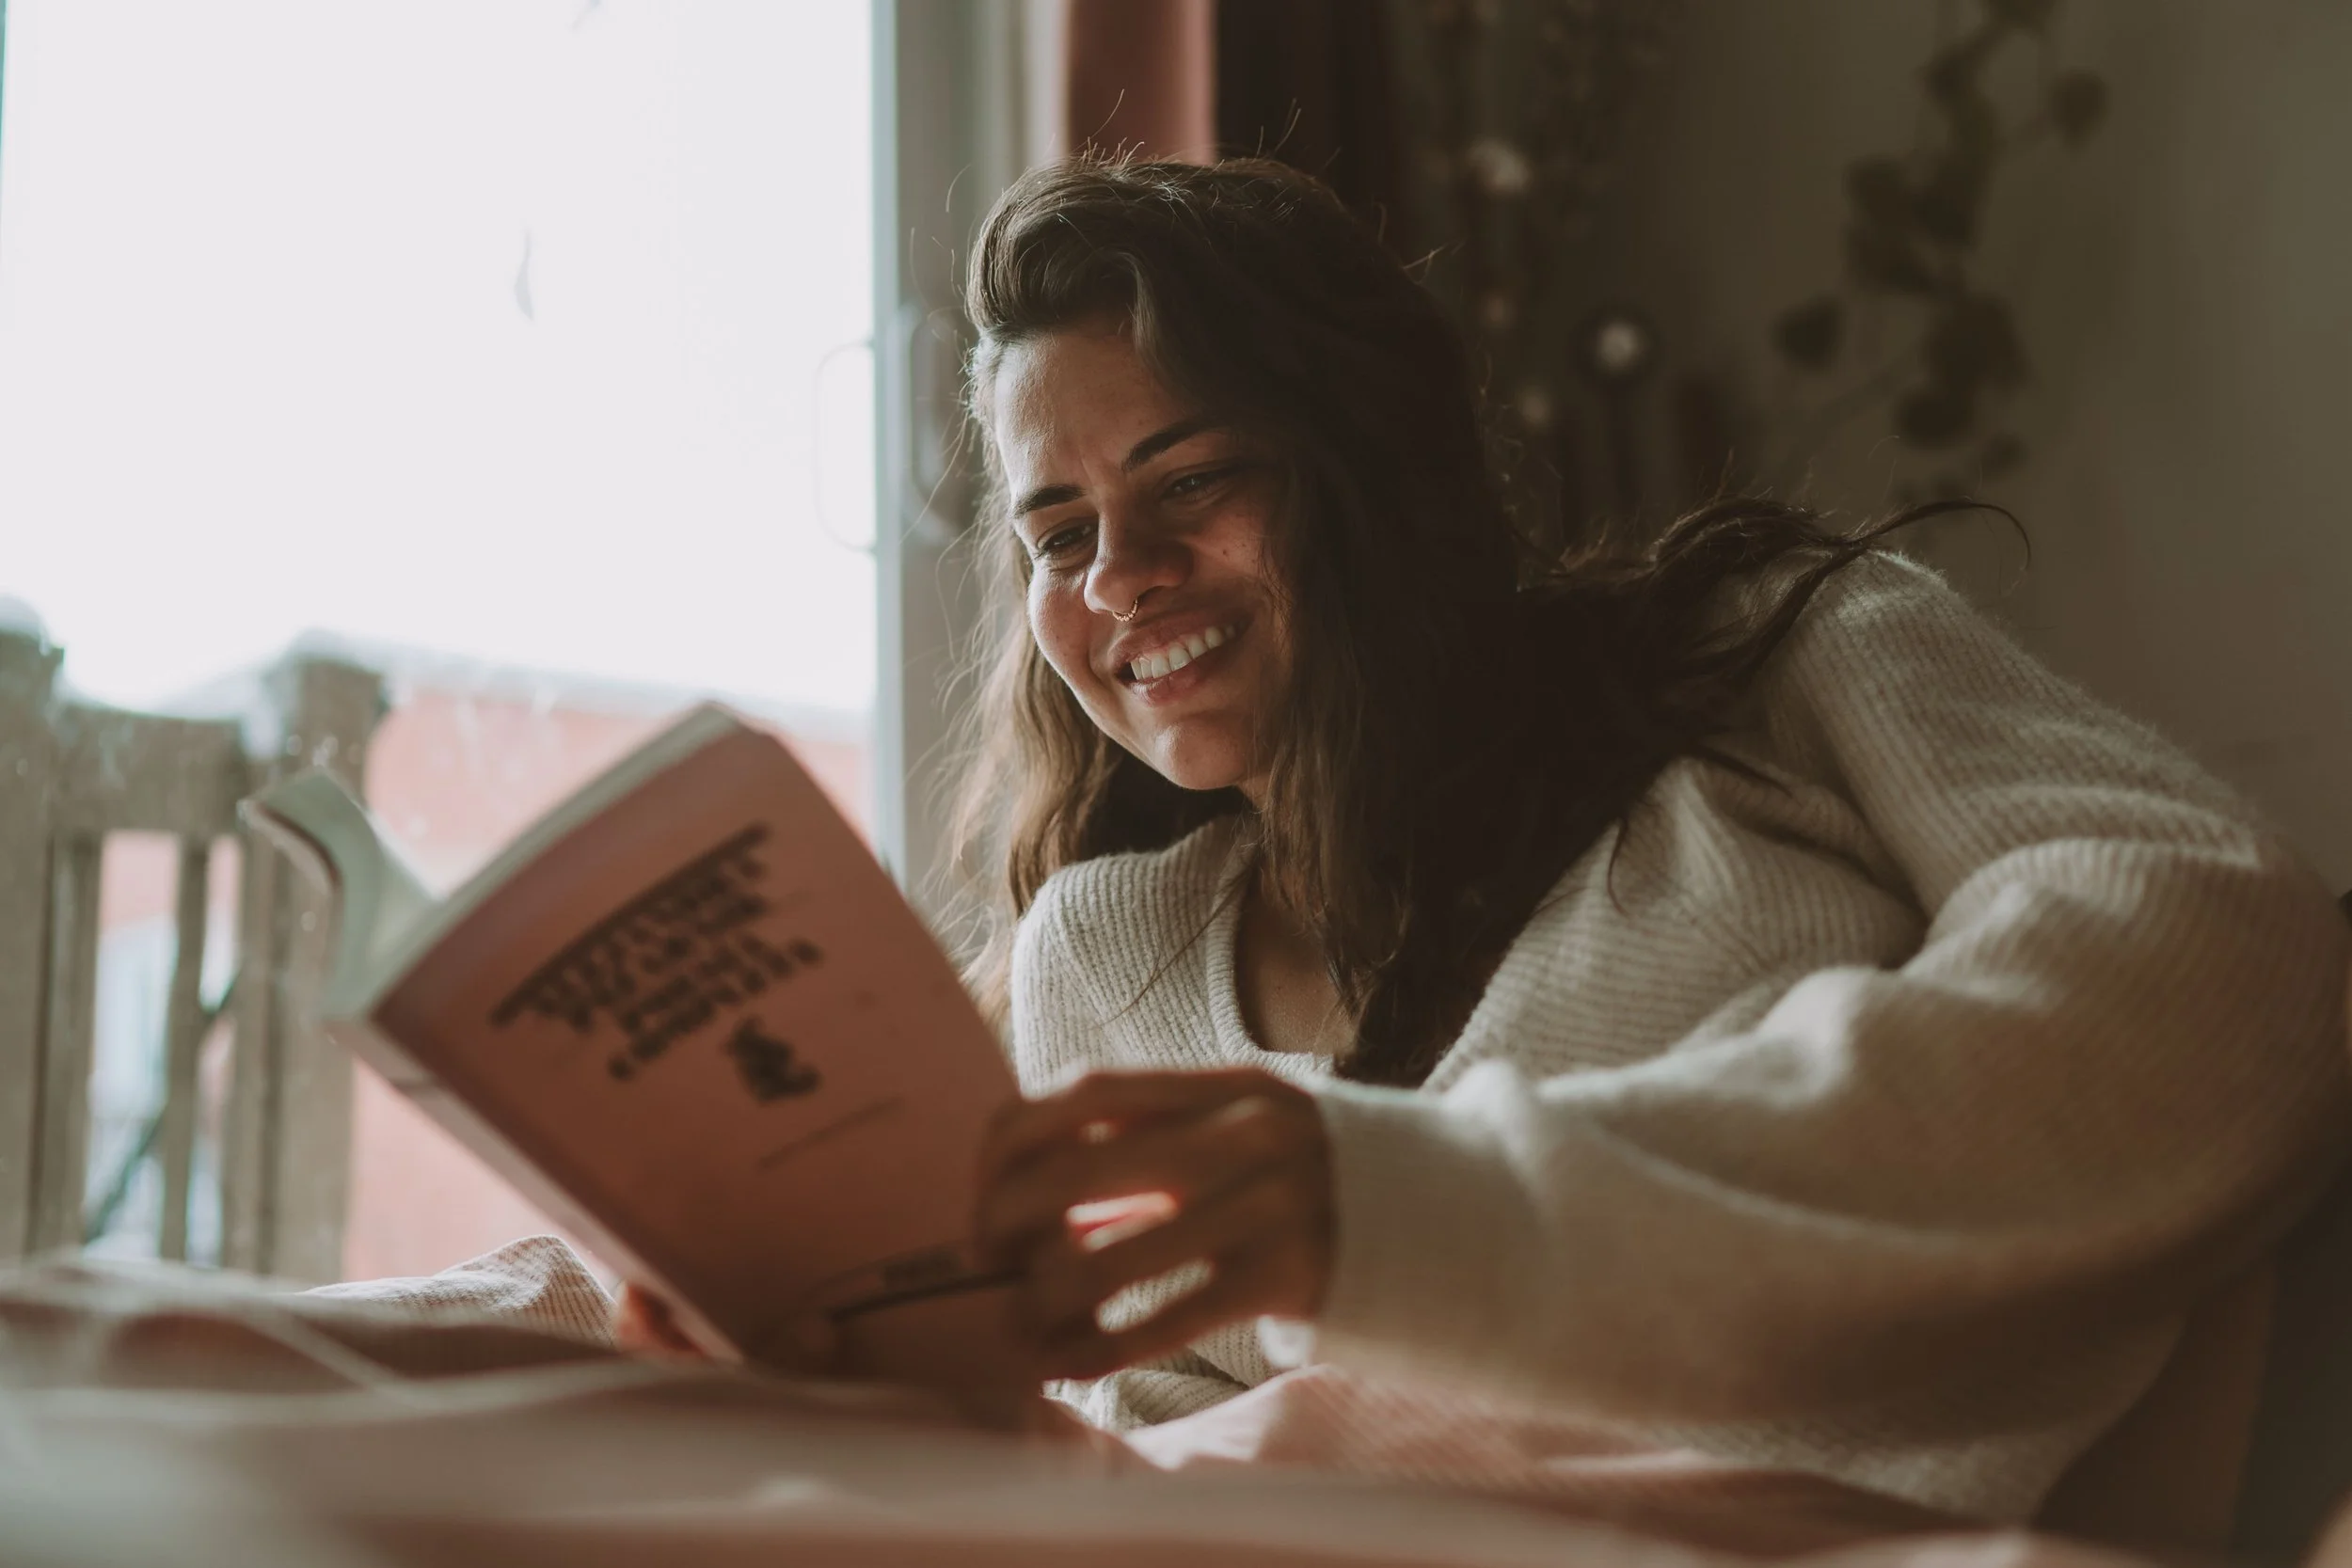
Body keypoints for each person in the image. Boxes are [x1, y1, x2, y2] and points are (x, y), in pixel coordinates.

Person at [935, 152, 2352, 1527]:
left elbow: (2218, 952)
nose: (1117, 575)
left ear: (1366, 459)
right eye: (1059, 535)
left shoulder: (1761, 661)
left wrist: (1419, 1214)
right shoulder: (1102, 963)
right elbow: (1148, 1492)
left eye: (1189, 481)